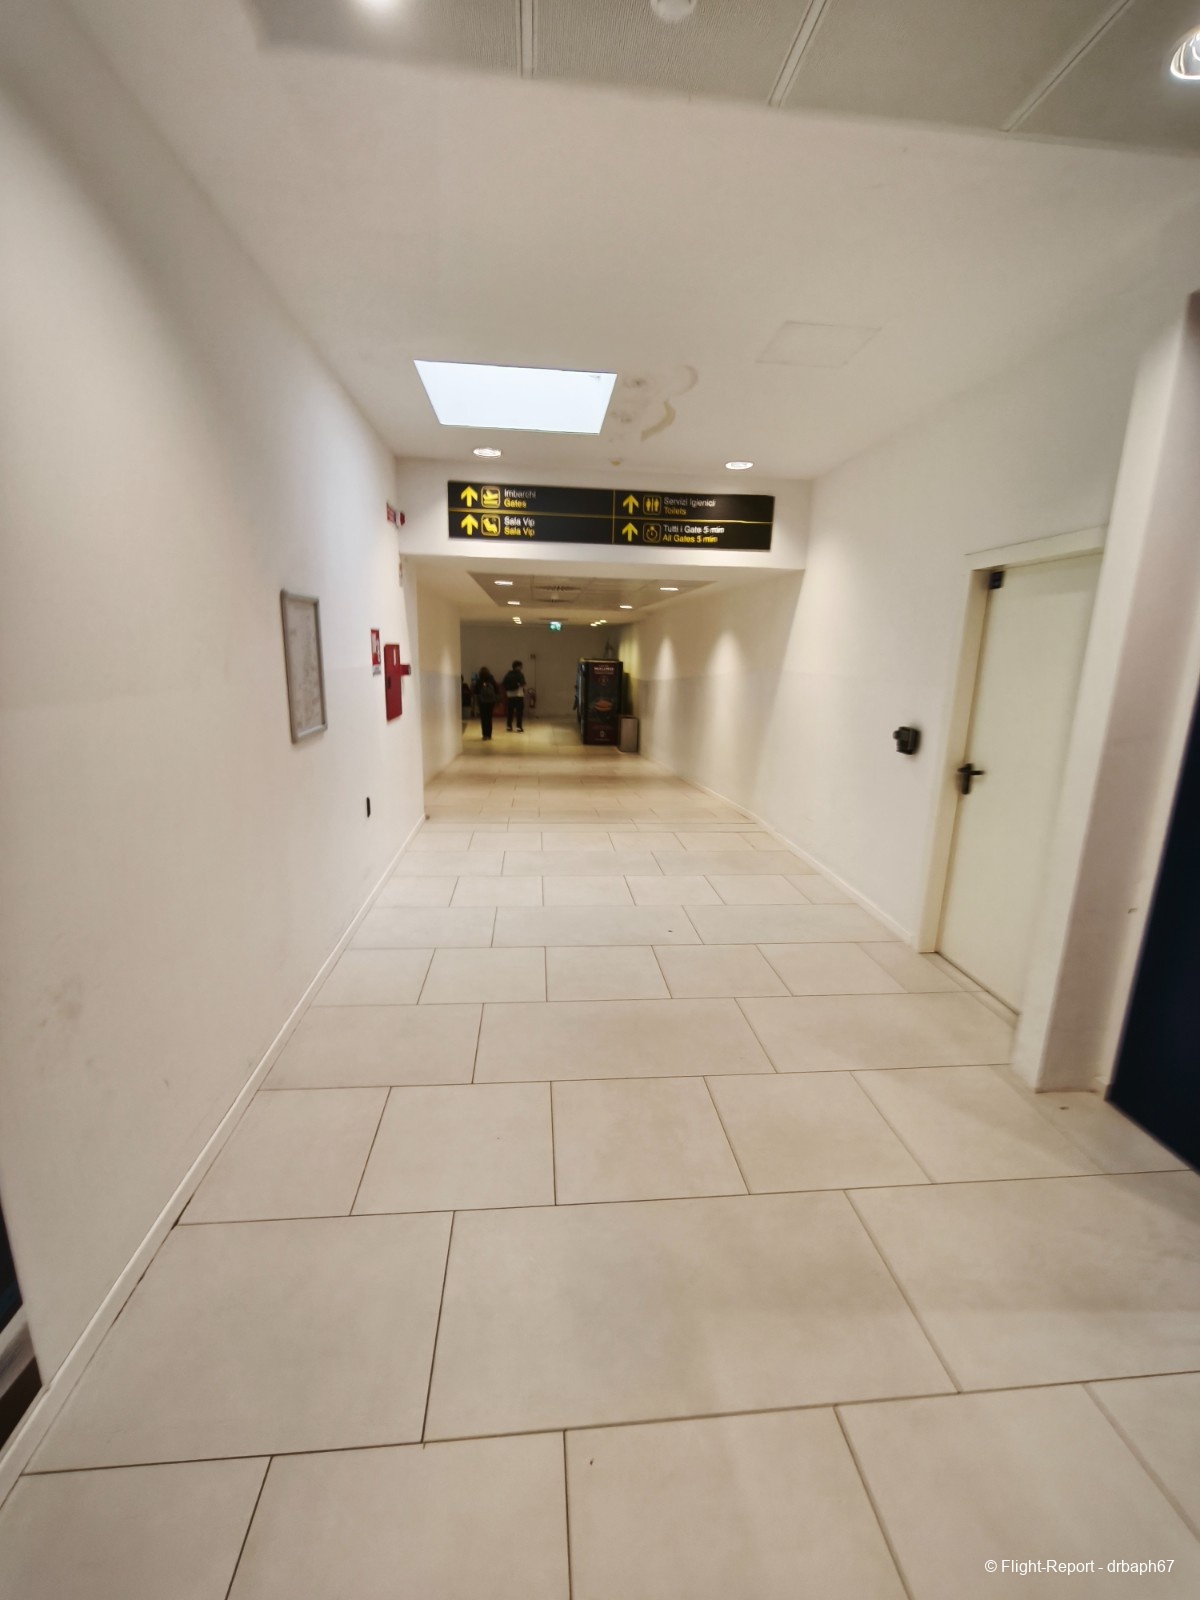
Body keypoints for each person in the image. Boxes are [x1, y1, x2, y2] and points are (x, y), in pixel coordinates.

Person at [503, 660, 526, 732]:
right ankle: (519, 727)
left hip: (510, 695)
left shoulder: (508, 674)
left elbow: (504, 683)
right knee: (519, 712)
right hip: (518, 695)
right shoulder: (519, 674)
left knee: (510, 712)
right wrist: (518, 685)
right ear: (517, 667)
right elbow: (523, 683)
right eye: (521, 666)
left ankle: (509, 726)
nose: (522, 667)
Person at [476, 667, 497, 741]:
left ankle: (485, 735)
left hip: (482, 702)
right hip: (491, 701)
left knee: (483, 718)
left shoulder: (479, 680)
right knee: (489, 718)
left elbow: (476, 691)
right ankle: (489, 735)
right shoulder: (491, 679)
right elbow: (496, 689)